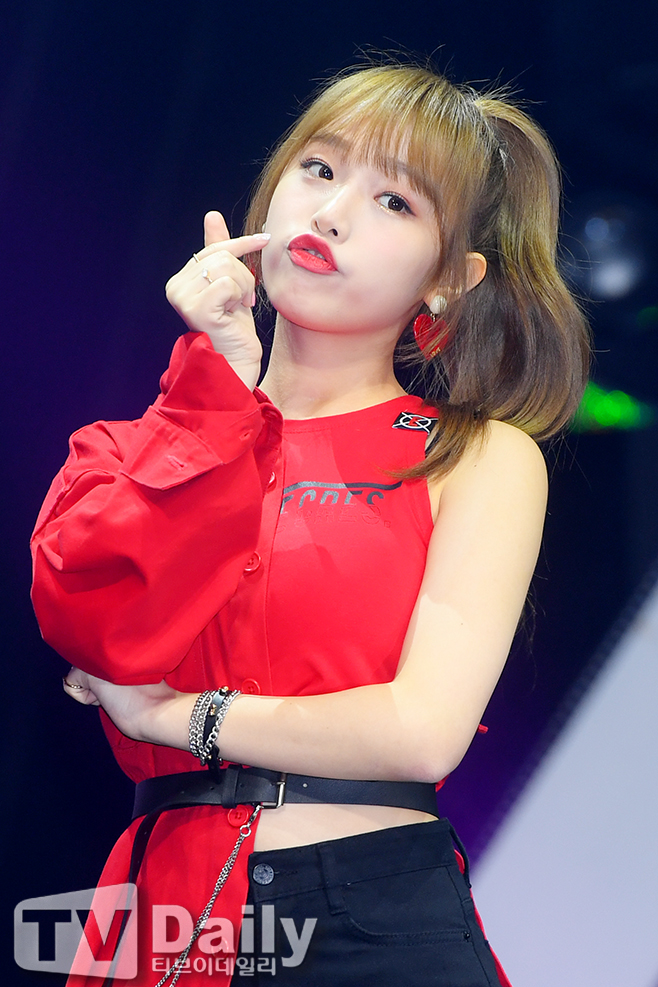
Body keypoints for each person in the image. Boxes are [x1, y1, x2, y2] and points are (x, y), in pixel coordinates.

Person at [31, 62, 589, 986]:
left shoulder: (474, 457)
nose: (331, 214)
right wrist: (213, 388)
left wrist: (176, 715)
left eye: (395, 202)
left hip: (372, 918)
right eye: (319, 170)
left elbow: (421, 730)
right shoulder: (121, 453)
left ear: (449, 280)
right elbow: (94, 630)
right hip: (168, 916)